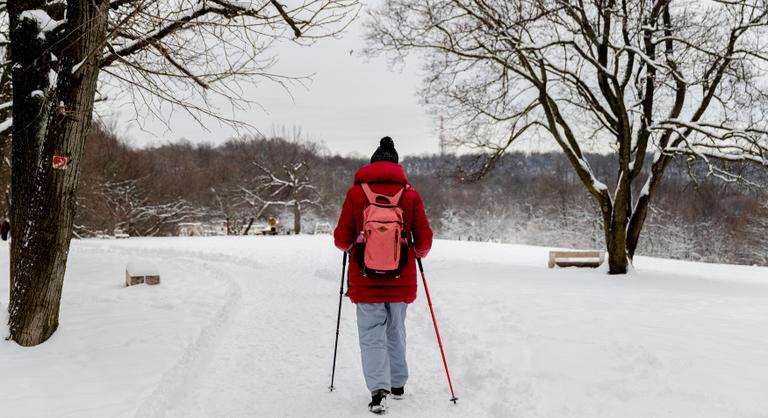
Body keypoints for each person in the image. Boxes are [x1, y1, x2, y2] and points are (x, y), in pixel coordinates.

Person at [334, 137, 433, 414]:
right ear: (396, 166)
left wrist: (356, 241)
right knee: (396, 329)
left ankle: (379, 391)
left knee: (371, 332)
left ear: (373, 164)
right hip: (401, 278)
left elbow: (341, 240)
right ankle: (398, 384)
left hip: (365, 279)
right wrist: (417, 253)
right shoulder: (411, 195)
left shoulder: (356, 195)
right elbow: (424, 240)